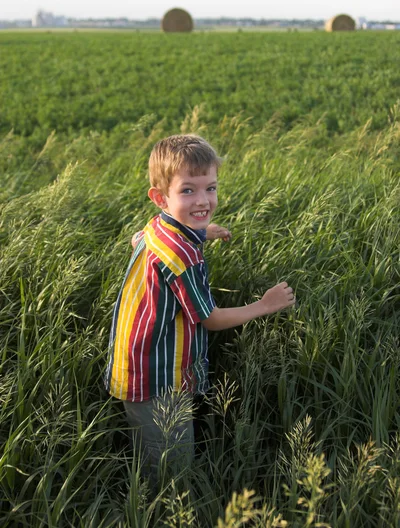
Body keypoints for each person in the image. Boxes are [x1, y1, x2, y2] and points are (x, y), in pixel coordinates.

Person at [105, 134, 295, 486]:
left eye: (210, 188)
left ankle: (144, 490)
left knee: (147, 448)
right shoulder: (183, 257)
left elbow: (140, 238)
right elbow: (210, 319)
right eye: (188, 191)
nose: (203, 200)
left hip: (134, 364)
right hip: (158, 379)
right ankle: (162, 507)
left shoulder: (158, 226)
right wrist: (265, 305)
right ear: (160, 197)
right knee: (171, 466)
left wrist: (202, 232)